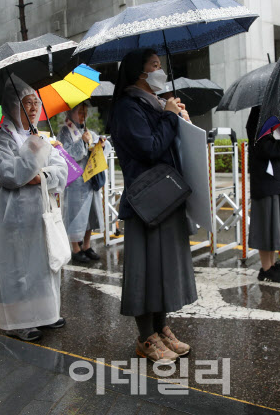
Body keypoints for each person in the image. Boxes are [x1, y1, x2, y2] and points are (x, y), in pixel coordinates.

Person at [108, 49, 196, 364]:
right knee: (145, 271)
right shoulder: (127, 108)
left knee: (162, 269)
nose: (161, 71)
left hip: (166, 197)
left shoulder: (154, 104)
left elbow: (169, 143)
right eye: (154, 65)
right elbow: (149, 148)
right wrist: (169, 116)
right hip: (146, 202)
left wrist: (177, 117)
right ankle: (146, 338)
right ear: (139, 72)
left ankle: (161, 328)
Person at [0, 74, 68, 342]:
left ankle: (46, 314)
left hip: (39, 215)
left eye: (35, 102)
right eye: (26, 102)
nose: (33, 108)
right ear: (11, 105)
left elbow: (61, 170)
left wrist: (40, 176)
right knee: (17, 270)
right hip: (13, 219)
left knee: (43, 267)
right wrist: (34, 158)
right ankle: (18, 322)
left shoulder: (38, 135)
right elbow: (8, 174)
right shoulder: (2, 140)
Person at [246, 107, 280, 283]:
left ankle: (271, 266)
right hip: (266, 181)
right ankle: (266, 268)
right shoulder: (258, 115)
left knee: (274, 226)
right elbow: (264, 148)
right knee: (266, 224)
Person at [57, 102, 108, 263]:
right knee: (75, 215)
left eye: (85, 111)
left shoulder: (88, 130)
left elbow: (103, 150)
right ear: (71, 113)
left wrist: (101, 144)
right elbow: (67, 155)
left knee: (91, 214)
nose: (83, 115)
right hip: (76, 181)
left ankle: (87, 245)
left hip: (91, 178)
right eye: (80, 111)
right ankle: (75, 248)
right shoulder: (64, 132)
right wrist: (83, 143)